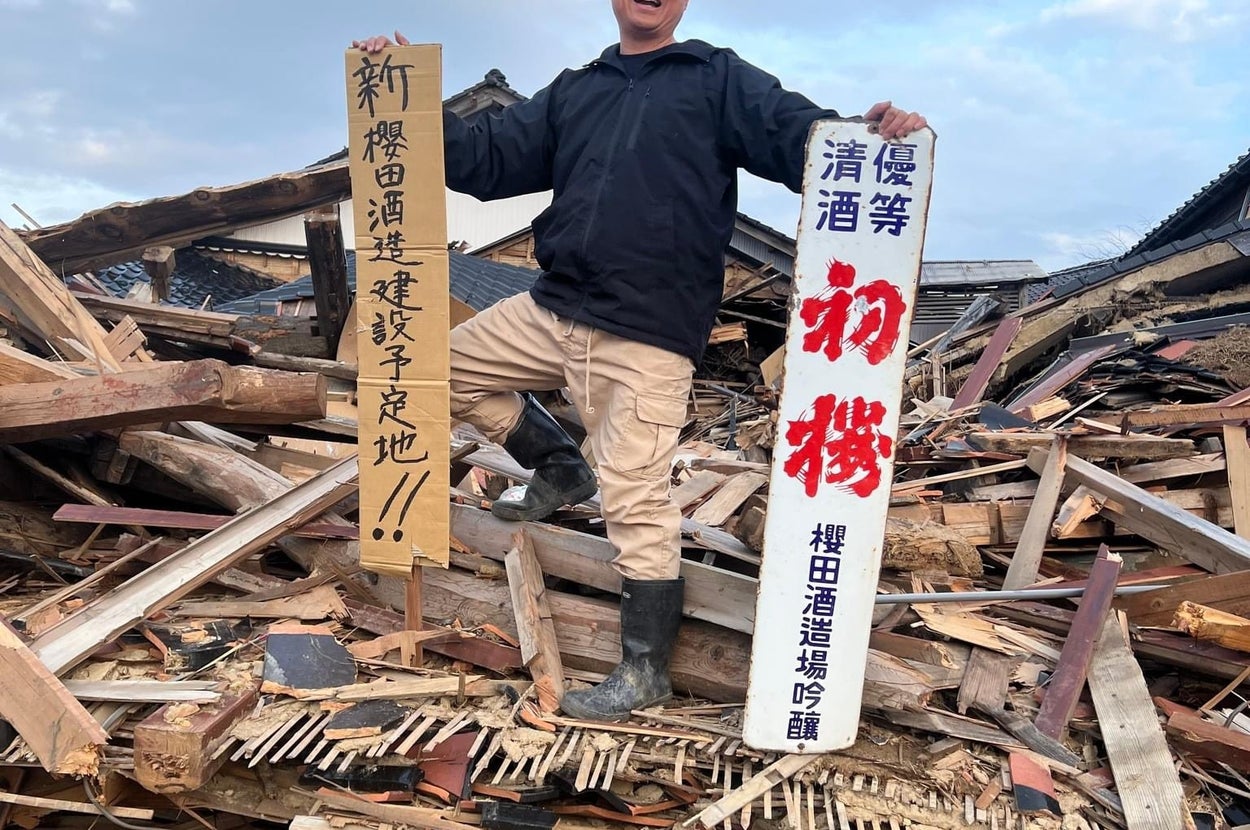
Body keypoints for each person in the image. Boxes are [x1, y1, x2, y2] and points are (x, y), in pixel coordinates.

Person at [355, 0, 927, 722]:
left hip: (649, 330)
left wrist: (873, 135)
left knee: (633, 497)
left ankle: (645, 669)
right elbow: (484, 161)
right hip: (554, 306)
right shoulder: (579, 88)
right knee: (431, 368)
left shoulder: (716, 78)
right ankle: (559, 466)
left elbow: (801, 140)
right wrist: (406, 89)